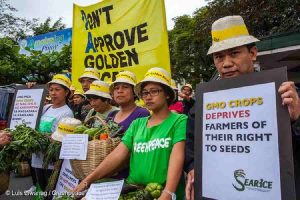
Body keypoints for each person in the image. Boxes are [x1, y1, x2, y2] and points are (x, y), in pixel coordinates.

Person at [184, 15, 300, 200]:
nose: (227, 63)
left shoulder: (285, 94)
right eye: (219, 57)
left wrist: (295, 119)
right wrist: (192, 168)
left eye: (234, 53)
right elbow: (191, 144)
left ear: (252, 54)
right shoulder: (204, 104)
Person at [74, 67, 187, 200]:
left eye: (154, 91)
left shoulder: (179, 121)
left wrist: (168, 192)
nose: (148, 96)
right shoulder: (137, 124)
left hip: (163, 194)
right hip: (134, 192)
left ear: (167, 94)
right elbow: (117, 155)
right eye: (144, 93)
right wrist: (87, 181)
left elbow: (177, 157)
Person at [31, 74, 74, 192]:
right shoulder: (47, 108)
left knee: (50, 193)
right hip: (37, 159)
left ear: (66, 92)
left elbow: (59, 140)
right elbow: (32, 109)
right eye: (51, 90)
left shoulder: (67, 113)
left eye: (57, 90)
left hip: (51, 163)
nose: (53, 93)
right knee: (44, 192)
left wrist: (38, 137)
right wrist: (31, 89)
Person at [107, 71, 150, 179]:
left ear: (134, 92)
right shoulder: (111, 115)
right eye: (116, 88)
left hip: (129, 176)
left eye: (125, 87)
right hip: (107, 172)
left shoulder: (142, 114)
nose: (119, 91)